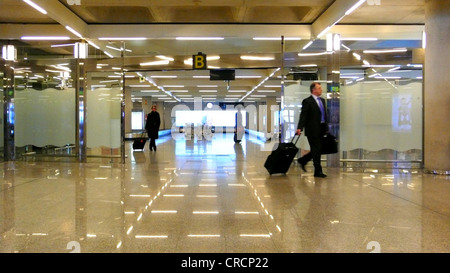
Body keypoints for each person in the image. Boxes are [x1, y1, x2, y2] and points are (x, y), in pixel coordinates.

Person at [296, 82, 328, 178]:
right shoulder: (307, 101)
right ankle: (318, 171)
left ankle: (303, 160)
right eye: (319, 88)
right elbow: (304, 115)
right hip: (312, 129)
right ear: (313, 90)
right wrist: (300, 128)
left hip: (322, 128)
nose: (321, 90)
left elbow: (324, 115)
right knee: (316, 149)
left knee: (318, 149)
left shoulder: (322, 100)